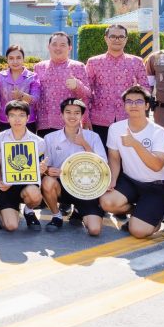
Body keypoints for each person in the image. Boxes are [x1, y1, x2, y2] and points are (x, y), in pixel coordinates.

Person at [99, 86, 164, 240]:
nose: (133, 105)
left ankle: (160, 215)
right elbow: (114, 158)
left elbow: (157, 165)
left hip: (156, 185)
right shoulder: (116, 128)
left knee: (138, 231)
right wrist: (112, 180)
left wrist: (135, 143)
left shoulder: (159, 131)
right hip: (131, 181)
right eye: (129, 101)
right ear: (124, 105)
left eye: (139, 101)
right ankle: (139, 212)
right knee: (107, 202)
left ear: (147, 106)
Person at [40, 97, 107, 235]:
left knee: (94, 230)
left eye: (77, 113)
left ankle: (78, 210)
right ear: (61, 115)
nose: (72, 116)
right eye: (68, 112)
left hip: (87, 189)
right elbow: (45, 165)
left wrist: (84, 144)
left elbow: (102, 166)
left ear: (82, 116)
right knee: (47, 182)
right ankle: (56, 215)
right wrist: (46, 170)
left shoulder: (93, 137)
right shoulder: (50, 138)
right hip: (62, 186)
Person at [0, 100, 49, 231]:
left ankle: (28, 211)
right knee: (11, 226)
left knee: (34, 193)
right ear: (7, 118)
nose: (17, 119)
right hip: (7, 186)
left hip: (27, 184)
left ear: (28, 118)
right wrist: (0, 181)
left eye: (21, 115)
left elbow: (37, 170)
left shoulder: (38, 142)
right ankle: (11, 210)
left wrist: (41, 170)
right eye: (12, 115)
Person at [84, 24, 146, 145]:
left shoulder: (136, 62)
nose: (117, 40)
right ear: (106, 38)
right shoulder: (93, 62)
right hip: (99, 119)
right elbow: (86, 92)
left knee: (127, 159)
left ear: (126, 39)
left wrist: (137, 89)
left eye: (121, 37)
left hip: (128, 119)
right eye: (113, 36)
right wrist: (85, 117)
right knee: (102, 159)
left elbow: (146, 90)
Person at [33, 32, 91, 138]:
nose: (58, 48)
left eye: (62, 45)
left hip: (69, 124)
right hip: (44, 124)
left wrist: (77, 85)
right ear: (48, 47)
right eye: (54, 44)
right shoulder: (39, 67)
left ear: (70, 48)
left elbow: (87, 95)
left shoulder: (78, 66)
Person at [0, 44, 40, 132]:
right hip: (5, 120)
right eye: (11, 58)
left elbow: (36, 100)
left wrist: (22, 95)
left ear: (23, 59)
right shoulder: (0, 76)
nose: (15, 61)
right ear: (7, 60)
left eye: (18, 58)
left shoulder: (32, 77)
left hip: (27, 121)